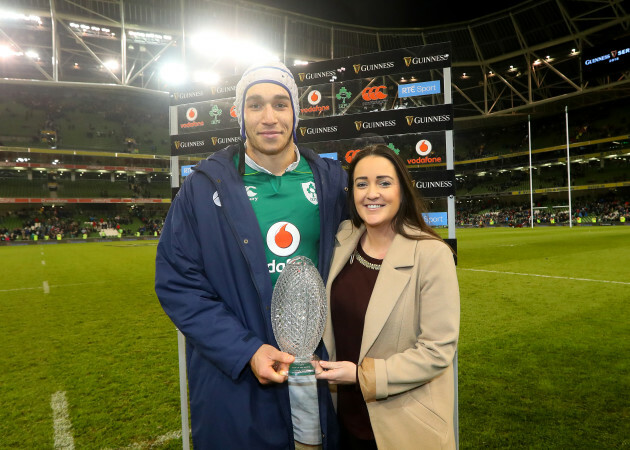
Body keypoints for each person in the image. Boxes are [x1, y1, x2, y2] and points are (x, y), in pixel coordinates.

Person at [155, 61, 347, 449]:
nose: (269, 117)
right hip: (242, 374)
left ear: (296, 111)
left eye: (280, 103)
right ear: (240, 115)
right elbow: (178, 283)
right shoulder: (202, 188)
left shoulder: (331, 181)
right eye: (255, 105)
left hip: (316, 370)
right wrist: (246, 350)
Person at [315, 144, 460, 449]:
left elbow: (437, 351)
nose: (372, 193)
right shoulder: (342, 240)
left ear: (402, 190)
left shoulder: (432, 255)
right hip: (343, 424)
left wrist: (361, 375)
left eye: (384, 182)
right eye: (361, 183)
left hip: (403, 428)